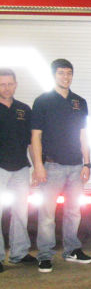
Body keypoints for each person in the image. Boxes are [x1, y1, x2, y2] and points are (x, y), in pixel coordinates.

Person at [31, 59, 91, 273]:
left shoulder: (79, 102)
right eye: (61, 73)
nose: (65, 77)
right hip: (52, 166)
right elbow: (36, 136)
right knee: (47, 214)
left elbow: (84, 135)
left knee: (74, 211)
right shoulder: (42, 101)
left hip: (76, 166)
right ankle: (45, 255)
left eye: (69, 73)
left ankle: (72, 250)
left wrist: (87, 163)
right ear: (53, 75)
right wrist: (38, 165)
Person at [0, 68, 37, 273]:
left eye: (10, 84)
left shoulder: (24, 109)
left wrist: (37, 167)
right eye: (2, 84)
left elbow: (32, 142)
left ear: (15, 84)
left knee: (20, 213)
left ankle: (19, 253)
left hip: (21, 168)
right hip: (0, 168)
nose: (6, 88)